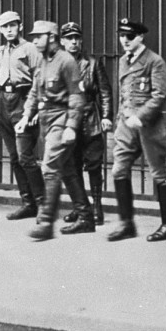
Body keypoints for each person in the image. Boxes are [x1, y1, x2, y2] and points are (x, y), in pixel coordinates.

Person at [15, 21, 93, 241]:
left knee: (50, 167)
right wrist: (25, 116)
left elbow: (77, 97)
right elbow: (34, 91)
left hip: (61, 119)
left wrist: (70, 126)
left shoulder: (66, 61)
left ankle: (47, 222)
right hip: (46, 120)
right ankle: (86, 217)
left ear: (51, 37)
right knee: (66, 169)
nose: (34, 40)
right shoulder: (41, 60)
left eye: (38, 36)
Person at [107, 18, 166, 242]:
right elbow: (123, 93)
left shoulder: (154, 61)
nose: (124, 41)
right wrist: (121, 119)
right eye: (121, 36)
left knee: (158, 174)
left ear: (140, 37)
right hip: (127, 125)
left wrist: (141, 116)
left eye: (130, 36)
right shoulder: (123, 61)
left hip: (149, 126)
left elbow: (160, 95)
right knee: (118, 169)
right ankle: (126, 223)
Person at [0, 11, 44, 220]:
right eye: (5, 26)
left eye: (12, 25)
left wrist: (34, 109)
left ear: (19, 26)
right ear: (0, 29)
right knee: (15, 158)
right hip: (4, 106)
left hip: (24, 100)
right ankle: (28, 203)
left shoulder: (30, 49)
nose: (9, 29)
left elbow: (39, 79)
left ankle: (43, 205)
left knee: (26, 157)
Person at [59, 21, 113, 226]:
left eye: (77, 38)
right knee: (71, 165)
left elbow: (105, 92)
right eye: (69, 38)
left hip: (90, 120)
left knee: (93, 165)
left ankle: (97, 207)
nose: (74, 42)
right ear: (62, 41)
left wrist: (107, 116)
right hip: (67, 121)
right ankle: (80, 207)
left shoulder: (92, 63)